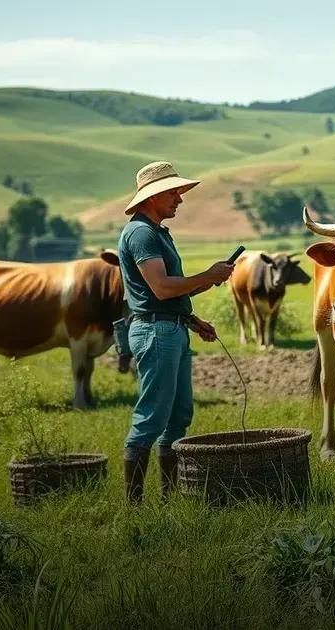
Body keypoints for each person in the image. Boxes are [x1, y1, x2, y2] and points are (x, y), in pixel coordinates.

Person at [117, 161, 234, 503]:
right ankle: (135, 509)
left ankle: (168, 500)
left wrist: (193, 320)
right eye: (172, 193)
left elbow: (168, 293)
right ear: (151, 196)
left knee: (179, 416)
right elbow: (162, 289)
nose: (179, 200)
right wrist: (209, 275)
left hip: (171, 329)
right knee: (152, 417)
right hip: (157, 334)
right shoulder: (141, 233)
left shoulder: (156, 232)